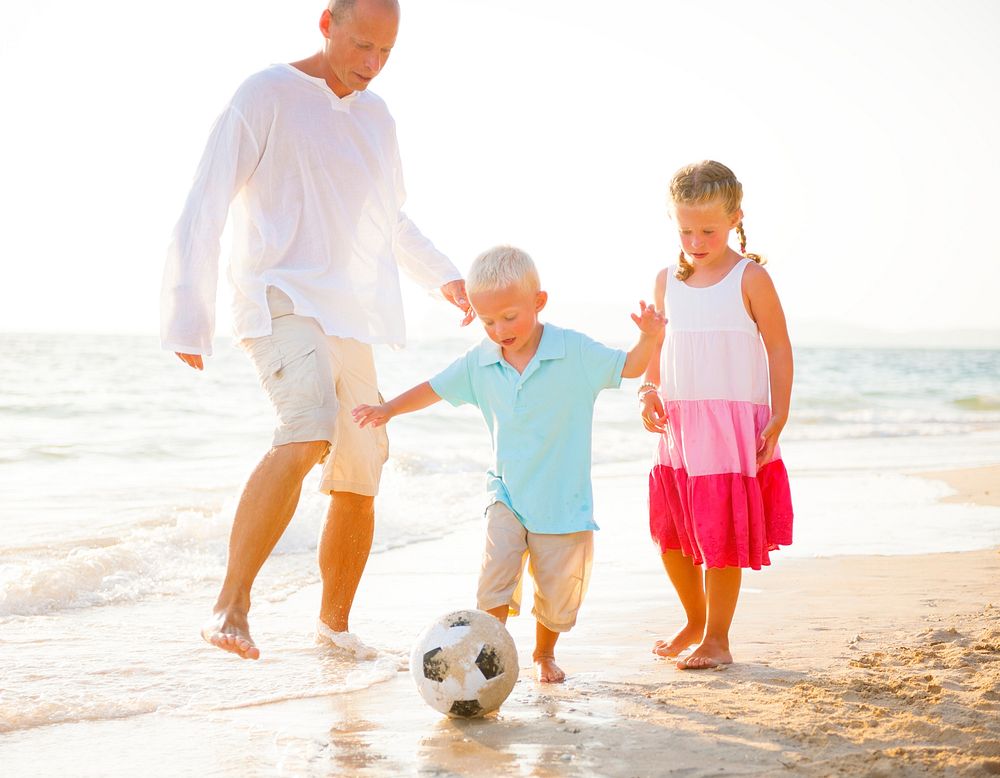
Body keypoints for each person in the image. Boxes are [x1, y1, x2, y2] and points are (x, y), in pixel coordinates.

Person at [160, 0, 472, 660]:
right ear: (326, 23)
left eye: (386, 53)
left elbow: (390, 220)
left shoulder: (377, 117)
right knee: (308, 420)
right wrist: (190, 314)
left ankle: (333, 628)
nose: (372, 64)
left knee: (362, 463)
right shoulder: (266, 94)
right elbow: (207, 195)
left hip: (347, 312)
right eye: (362, 46)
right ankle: (230, 607)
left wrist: (443, 277)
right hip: (276, 295)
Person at [352, 245, 666, 682]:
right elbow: (434, 387)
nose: (499, 329)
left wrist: (649, 338)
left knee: (557, 594)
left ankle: (543, 654)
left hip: (563, 500)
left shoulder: (573, 351)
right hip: (507, 494)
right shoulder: (480, 362)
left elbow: (631, 367)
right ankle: (487, 655)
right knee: (494, 577)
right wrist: (388, 410)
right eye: (488, 321)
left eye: (509, 317)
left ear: (539, 302)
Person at [639, 160, 794, 670]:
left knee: (720, 535)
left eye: (708, 229)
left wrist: (779, 414)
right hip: (680, 427)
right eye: (686, 230)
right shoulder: (667, 281)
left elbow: (778, 347)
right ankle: (693, 618)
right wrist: (648, 391)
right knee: (673, 533)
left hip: (730, 429)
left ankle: (717, 639)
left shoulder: (750, 278)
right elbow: (658, 351)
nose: (697, 239)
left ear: (735, 219)